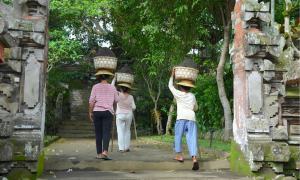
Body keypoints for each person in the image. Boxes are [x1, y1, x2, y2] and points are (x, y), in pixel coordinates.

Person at [168, 68, 199, 171]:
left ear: (180, 87)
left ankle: (179, 156)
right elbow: (196, 108)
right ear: (189, 87)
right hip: (191, 118)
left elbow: (170, 86)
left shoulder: (178, 94)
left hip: (181, 118)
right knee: (192, 138)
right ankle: (194, 159)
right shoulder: (193, 96)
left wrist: (172, 75)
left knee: (178, 136)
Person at [89, 71, 119, 160]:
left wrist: (90, 112)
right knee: (106, 132)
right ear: (108, 77)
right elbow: (116, 100)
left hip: (97, 111)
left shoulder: (95, 87)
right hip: (108, 112)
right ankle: (105, 152)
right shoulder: (112, 88)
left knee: (98, 133)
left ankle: (98, 154)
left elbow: (91, 101)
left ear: (98, 77)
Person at [114, 83, 136, 152]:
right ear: (129, 89)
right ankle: (126, 147)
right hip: (129, 115)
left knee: (120, 131)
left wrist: (114, 79)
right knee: (127, 131)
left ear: (120, 88)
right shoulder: (131, 97)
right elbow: (134, 107)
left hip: (120, 114)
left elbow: (112, 87)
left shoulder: (118, 94)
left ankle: (121, 148)